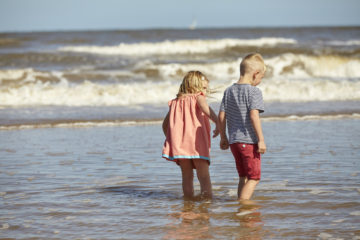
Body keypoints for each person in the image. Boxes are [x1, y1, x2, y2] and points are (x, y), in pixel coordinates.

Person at [162, 71, 219, 199]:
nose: (205, 91)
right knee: (203, 175)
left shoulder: (175, 102)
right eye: (203, 88)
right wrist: (219, 123)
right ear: (195, 86)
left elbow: (165, 125)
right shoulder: (198, 97)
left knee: (186, 176)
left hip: (180, 146)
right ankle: (207, 199)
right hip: (197, 144)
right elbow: (207, 110)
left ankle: (188, 201)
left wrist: (173, 139)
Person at [218, 53, 267, 201]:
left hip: (234, 142)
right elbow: (254, 116)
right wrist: (261, 140)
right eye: (261, 78)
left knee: (243, 176)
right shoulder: (254, 91)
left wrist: (223, 137)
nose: (259, 81)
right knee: (254, 177)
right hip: (249, 141)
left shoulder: (228, 91)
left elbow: (221, 116)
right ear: (255, 74)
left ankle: (241, 206)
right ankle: (243, 205)